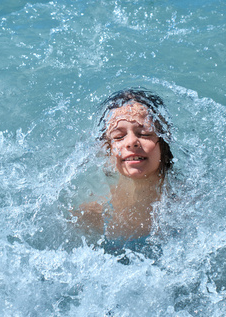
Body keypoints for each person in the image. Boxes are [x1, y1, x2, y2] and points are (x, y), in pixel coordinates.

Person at [72, 88, 174, 254]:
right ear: (107, 149)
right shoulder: (92, 215)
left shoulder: (187, 206)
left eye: (144, 134)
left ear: (163, 141)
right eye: (119, 137)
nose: (132, 142)